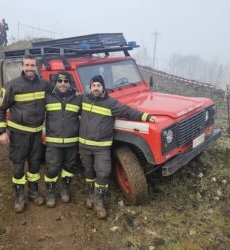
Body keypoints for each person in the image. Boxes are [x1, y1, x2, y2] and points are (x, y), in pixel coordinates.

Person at [79, 75, 157, 219]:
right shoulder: (83, 99)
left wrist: (145, 116)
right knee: (89, 173)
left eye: (98, 85)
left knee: (103, 173)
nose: (96, 88)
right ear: (90, 87)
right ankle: (91, 195)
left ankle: (99, 201)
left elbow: (128, 111)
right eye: (93, 85)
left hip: (101, 148)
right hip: (84, 147)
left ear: (103, 87)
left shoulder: (111, 103)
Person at [0, 54, 51, 213]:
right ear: (22, 66)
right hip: (18, 134)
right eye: (27, 65)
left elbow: (59, 94)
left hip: (37, 135)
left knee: (34, 165)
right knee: (18, 166)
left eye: (32, 65)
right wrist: (1, 132)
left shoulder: (44, 84)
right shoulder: (11, 85)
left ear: (37, 67)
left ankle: (33, 193)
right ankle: (19, 196)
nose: (29, 68)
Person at [44, 71, 82, 207]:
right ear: (56, 83)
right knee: (52, 169)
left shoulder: (78, 98)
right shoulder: (47, 97)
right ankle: (49, 191)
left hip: (72, 142)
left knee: (69, 167)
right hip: (54, 142)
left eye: (66, 81)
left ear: (69, 83)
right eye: (59, 81)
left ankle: (65, 189)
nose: (63, 84)